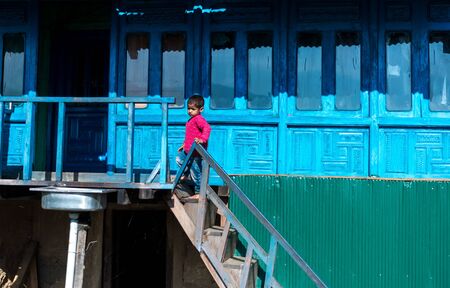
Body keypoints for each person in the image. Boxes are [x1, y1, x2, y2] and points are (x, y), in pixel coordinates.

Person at [175, 94, 211, 200]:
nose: (190, 111)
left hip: (196, 152)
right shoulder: (191, 120)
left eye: (193, 109)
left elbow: (207, 128)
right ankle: (185, 175)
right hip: (188, 149)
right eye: (188, 108)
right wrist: (184, 144)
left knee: (196, 171)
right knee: (179, 159)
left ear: (201, 109)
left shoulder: (198, 119)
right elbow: (190, 134)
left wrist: (202, 139)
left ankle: (199, 192)